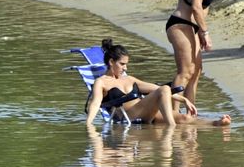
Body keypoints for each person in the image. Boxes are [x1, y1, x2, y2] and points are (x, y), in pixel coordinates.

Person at [85, 38, 231, 127]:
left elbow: (156, 88)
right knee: (164, 90)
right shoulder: (101, 82)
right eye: (122, 64)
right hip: (128, 115)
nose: (125, 68)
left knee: (185, 118)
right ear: (111, 62)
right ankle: (171, 128)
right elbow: (96, 103)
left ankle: (216, 123)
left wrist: (183, 99)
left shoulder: (129, 79)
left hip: (146, 112)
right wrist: (89, 124)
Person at [167, 0, 222, 108]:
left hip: (191, 27)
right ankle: (174, 112)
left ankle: (190, 111)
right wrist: (205, 33)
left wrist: (199, 30)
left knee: (196, 71)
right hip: (180, 25)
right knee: (185, 72)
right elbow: (197, 7)